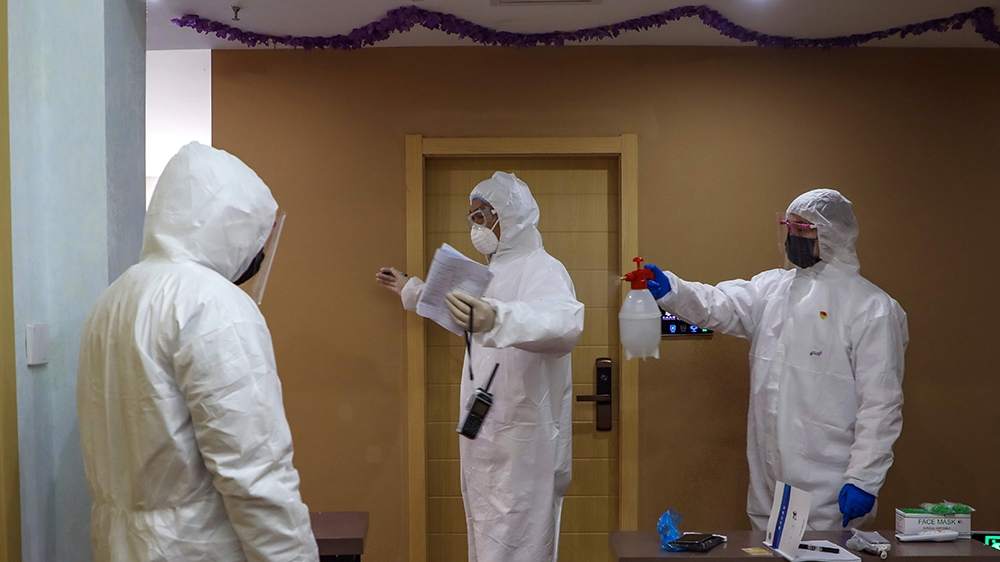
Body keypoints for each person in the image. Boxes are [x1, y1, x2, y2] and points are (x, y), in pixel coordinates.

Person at [77, 142, 319, 561]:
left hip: (118, 545)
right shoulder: (214, 304)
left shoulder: (113, 299)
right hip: (197, 546)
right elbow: (254, 470)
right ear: (232, 224)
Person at [645, 189, 907, 530]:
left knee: (825, 552)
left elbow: (880, 404)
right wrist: (673, 290)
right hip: (767, 482)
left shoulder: (871, 308)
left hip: (828, 486)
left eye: (803, 229)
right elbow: (721, 305)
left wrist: (864, 478)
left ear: (832, 234)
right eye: (789, 227)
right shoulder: (773, 289)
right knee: (765, 547)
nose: (792, 237)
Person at [377, 171, 584, 561]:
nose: (476, 227)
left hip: (524, 438)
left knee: (521, 537)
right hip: (486, 428)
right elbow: (462, 313)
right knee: (486, 532)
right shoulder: (493, 272)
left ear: (511, 215)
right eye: (472, 217)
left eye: (482, 216)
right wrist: (412, 288)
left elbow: (563, 324)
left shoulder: (542, 268)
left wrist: (497, 318)